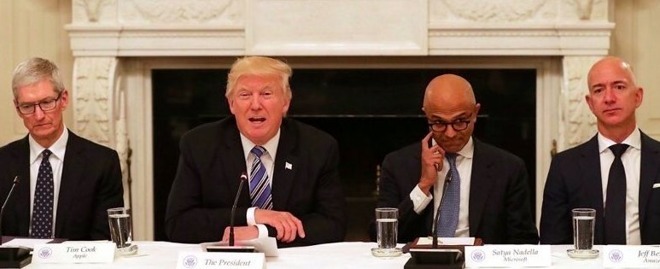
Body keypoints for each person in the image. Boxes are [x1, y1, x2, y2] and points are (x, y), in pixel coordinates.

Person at [165, 56, 346, 247]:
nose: (256, 105)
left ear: (285, 103)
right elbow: (178, 224)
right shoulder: (199, 145)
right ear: (231, 104)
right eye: (245, 95)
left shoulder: (318, 147)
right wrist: (253, 215)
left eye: (266, 94)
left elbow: (333, 224)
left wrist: (262, 231)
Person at [372, 74, 539, 244]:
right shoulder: (398, 164)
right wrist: (423, 186)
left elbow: (525, 241)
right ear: (426, 115)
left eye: (460, 122)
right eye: (438, 123)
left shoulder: (508, 168)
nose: (450, 134)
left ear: (475, 113)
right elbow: (381, 237)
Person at [0, 57, 124, 240]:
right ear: (17, 109)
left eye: (47, 102)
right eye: (27, 106)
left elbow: (104, 240)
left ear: (63, 99)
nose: (39, 115)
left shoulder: (101, 163)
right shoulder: (3, 162)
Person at [540, 56, 660, 245]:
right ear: (590, 103)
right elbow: (553, 243)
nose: (609, 98)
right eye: (599, 90)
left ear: (638, 96)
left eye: (619, 87)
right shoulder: (565, 166)